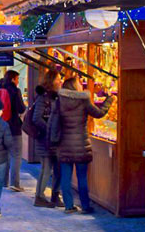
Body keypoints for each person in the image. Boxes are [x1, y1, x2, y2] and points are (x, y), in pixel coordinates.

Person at [49, 76, 116, 214]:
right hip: (81, 144)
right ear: (75, 86)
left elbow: (54, 123)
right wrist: (109, 100)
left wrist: (53, 141)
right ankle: (85, 206)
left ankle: (69, 206)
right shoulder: (83, 101)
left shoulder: (59, 102)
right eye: (79, 83)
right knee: (82, 177)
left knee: (66, 177)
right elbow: (99, 113)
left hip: (65, 145)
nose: (81, 85)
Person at [0, 70, 26, 191]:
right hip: (13, 127)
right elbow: (21, 109)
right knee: (16, 155)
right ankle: (15, 183)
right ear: (13, 79)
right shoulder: (15, 91)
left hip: (0, 127)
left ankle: (3, 182)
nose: (18, 82)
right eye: (17, 79)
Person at [31, 70, 62, 207]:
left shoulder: (56, 97)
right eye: (58, 79)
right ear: (51, 81)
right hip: (44, 140)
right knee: (46, 168)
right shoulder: (42, 98)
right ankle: (39, 197)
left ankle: (55, 195)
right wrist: (50, 130)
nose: (60, 81)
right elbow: (36, 118)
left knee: (57, 169)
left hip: (55, 140)